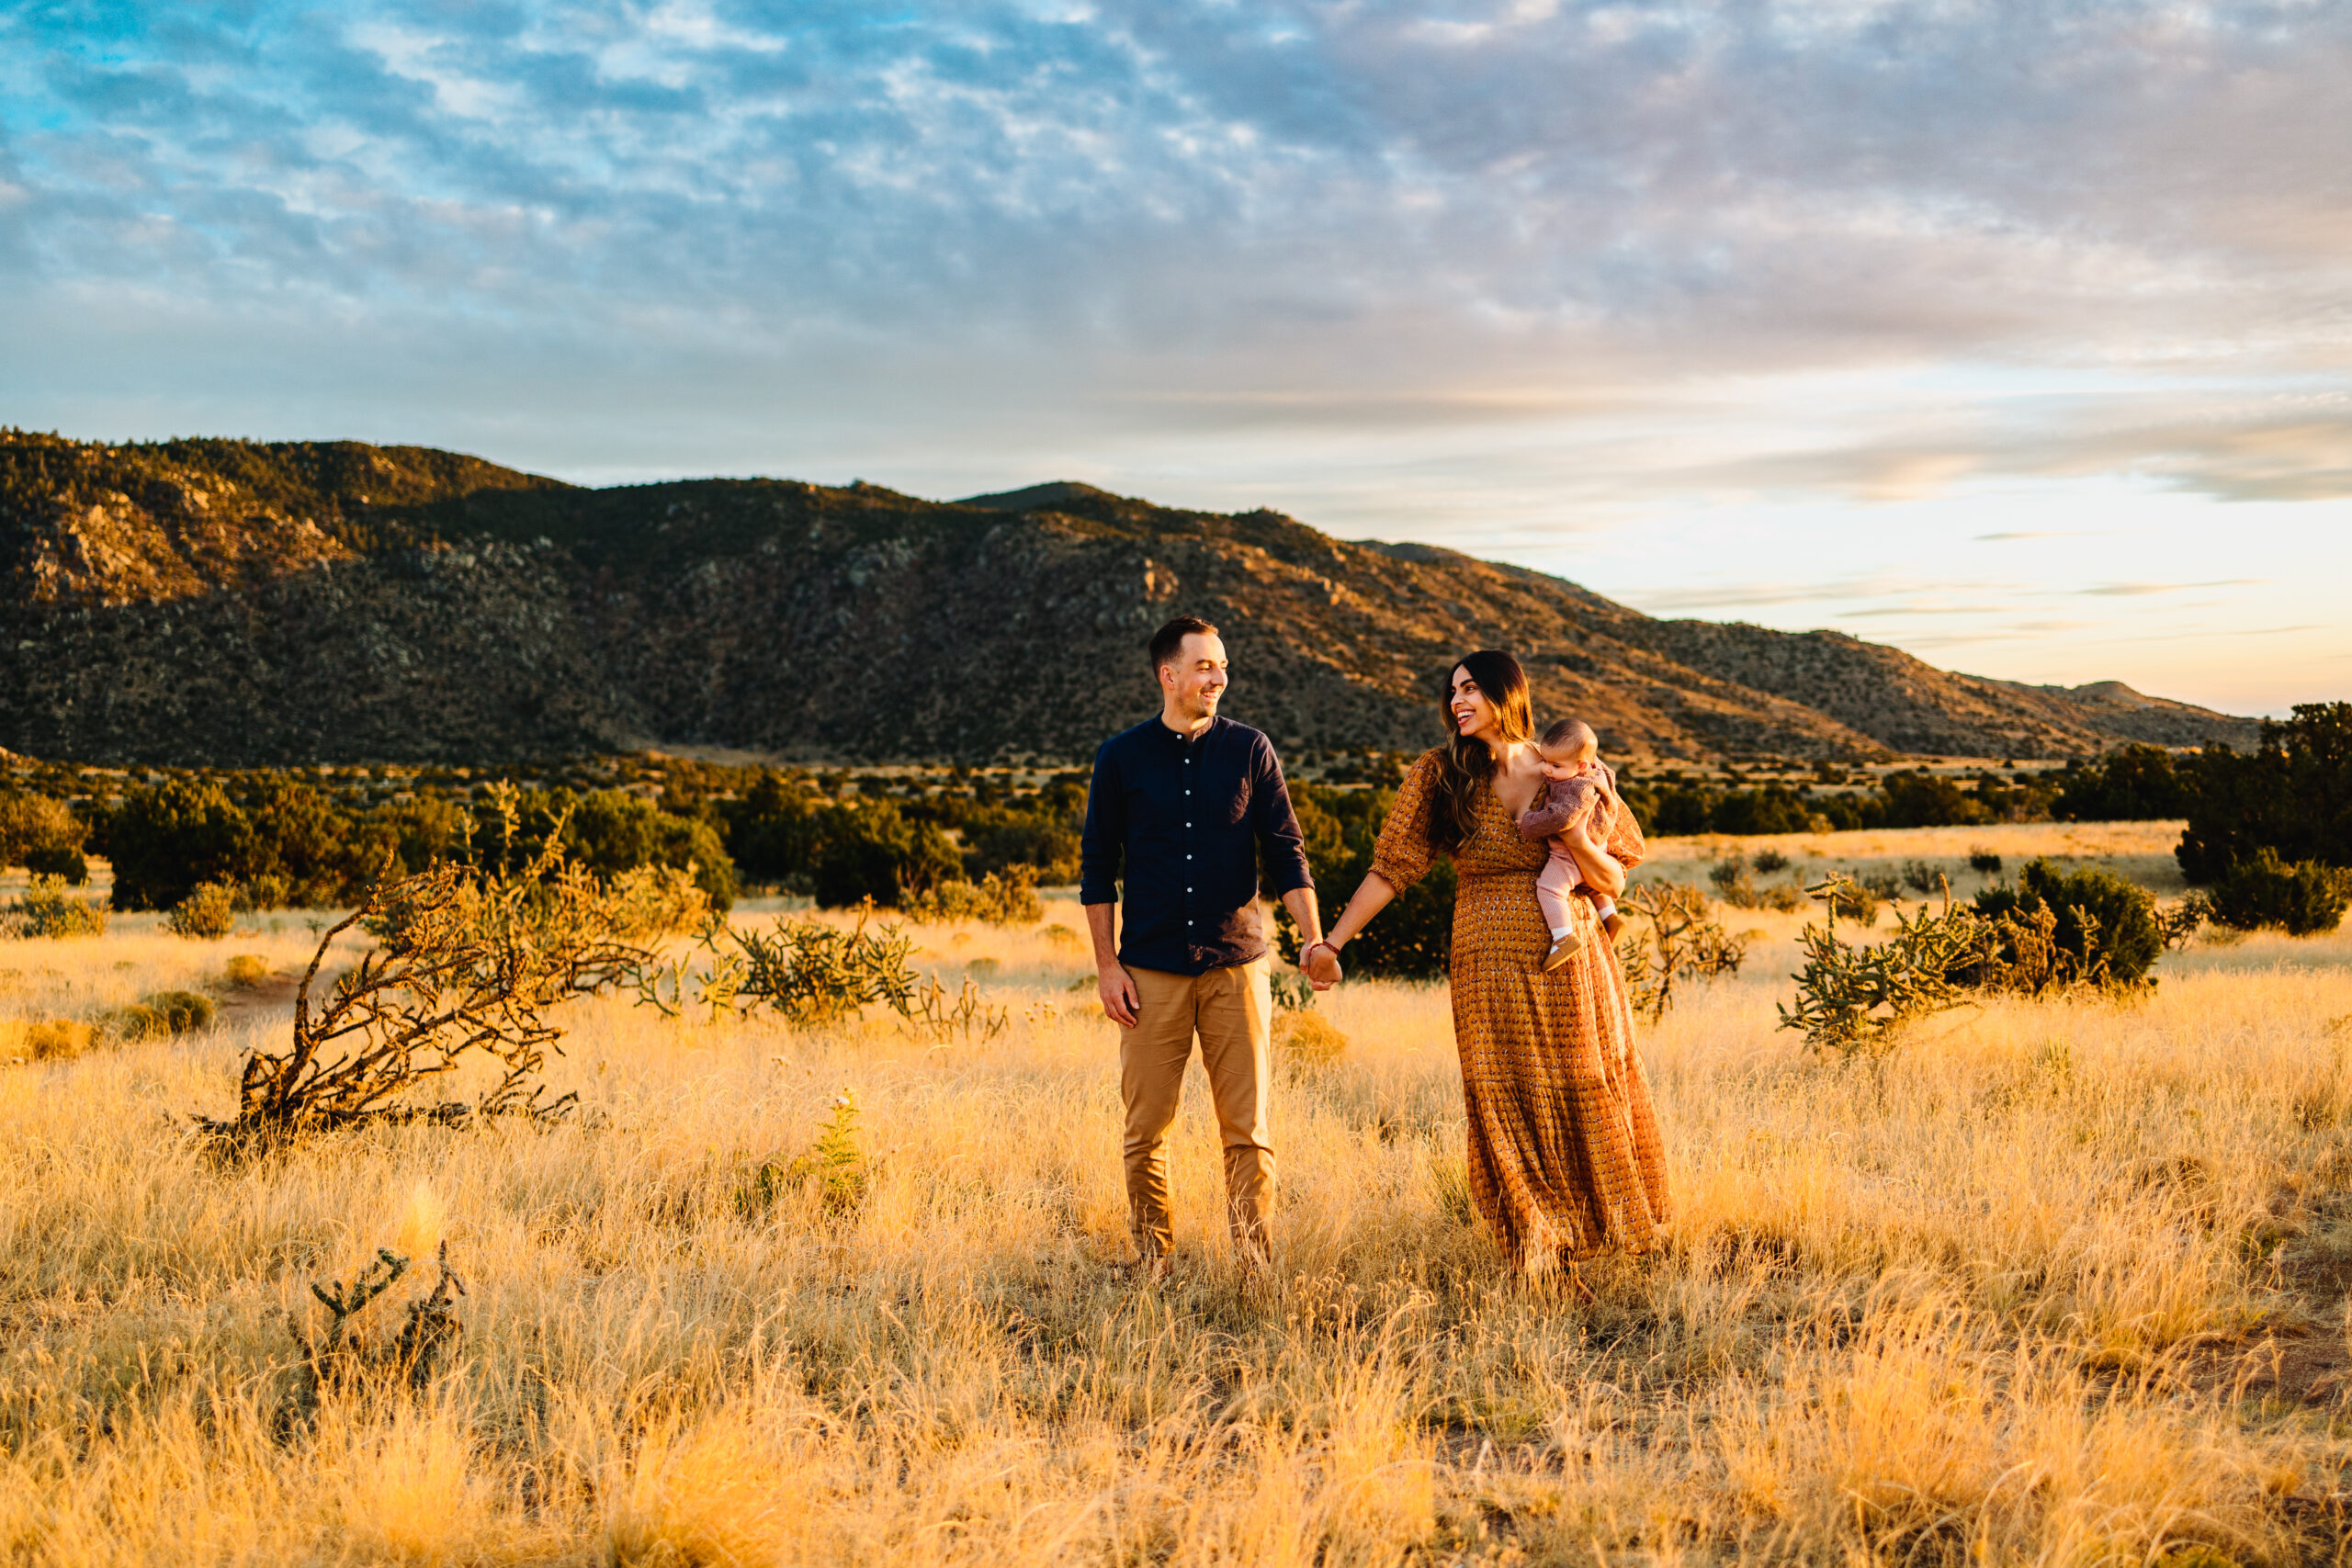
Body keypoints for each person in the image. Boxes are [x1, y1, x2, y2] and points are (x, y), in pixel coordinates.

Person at [1301, 650, 1668, 1292]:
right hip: (1484, 955)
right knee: (1502, 1089)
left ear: (1507, 692)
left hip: (1572, 951)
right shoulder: (1439, 773)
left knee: (1581, 1081)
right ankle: (1537, 1246)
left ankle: (1597, 1230)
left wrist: (1576, 838)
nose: (1457, 702)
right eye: (1452, 693)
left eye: (1470, 689)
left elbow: (1615, 875)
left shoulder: (1571, 770)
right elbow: (1392, 867)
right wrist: (1331, 941)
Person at [1080, 615, 1327, 1280]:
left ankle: (1253, 1267)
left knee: (1247, 1131)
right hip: (1149, 973)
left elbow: (1286, 850)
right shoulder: (1121, 757)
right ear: (1169, 675)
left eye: (1222, 665)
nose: (1218, 676)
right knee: (1145, 1132)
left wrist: (1314, 938)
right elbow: (1098, 868)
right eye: (1204, 666)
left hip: (1236, 968)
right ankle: (1152, 1258)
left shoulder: (1250, 749)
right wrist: (1107, 967)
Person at [1519, 718, 1623, 971]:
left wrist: (1527, 822)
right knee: (1591, 885)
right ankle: (1610, 916)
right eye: (1544, 761)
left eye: (1555, 765)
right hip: (1598, 847)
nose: (1547, 769)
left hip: (1568, 855)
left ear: (1582, 765)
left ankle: (1563, 936)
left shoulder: (1577, 787)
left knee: (1549, 888)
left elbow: (1561, 819)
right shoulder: (1597, 774)